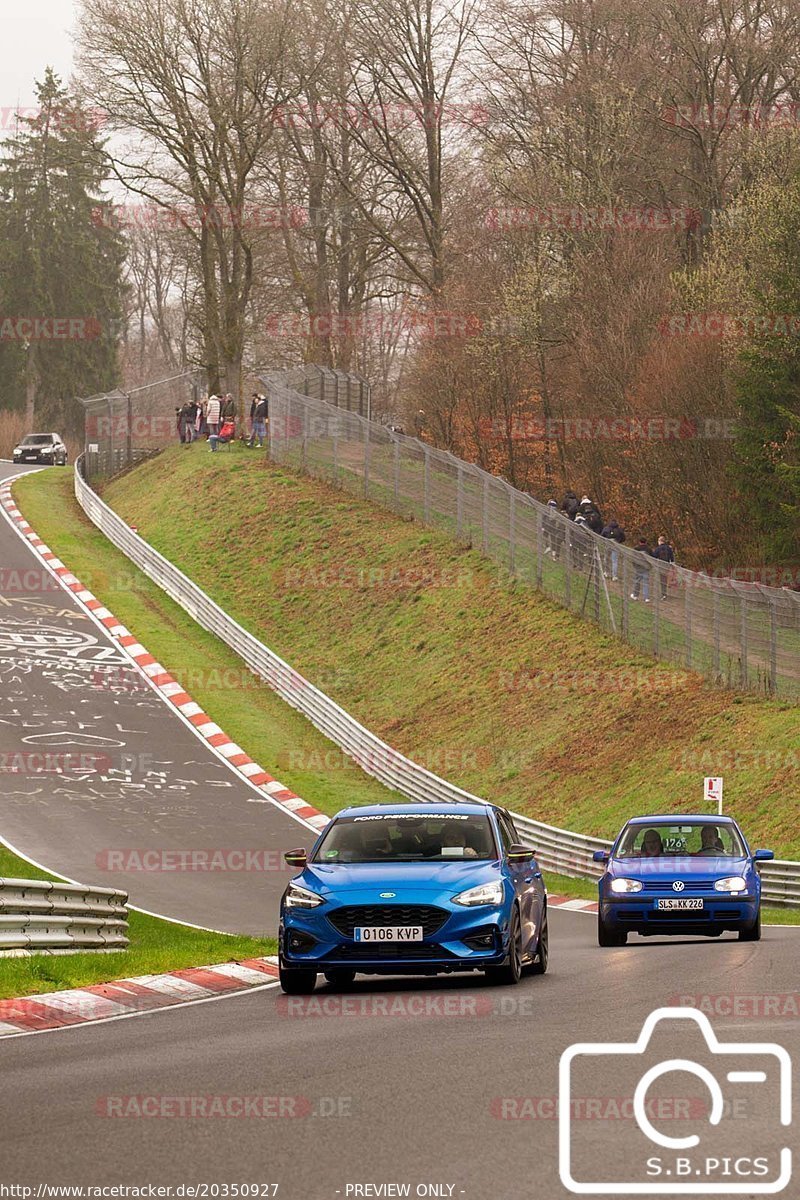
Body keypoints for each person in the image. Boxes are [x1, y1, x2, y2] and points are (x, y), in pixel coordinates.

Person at [650, 535, 676, 599]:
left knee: (662, 579)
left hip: (660, 565)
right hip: (667, 565)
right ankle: (665, 592)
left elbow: (654, 556)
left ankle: (663, 594)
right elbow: (672, 557)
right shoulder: (668, 548)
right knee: (665, 578)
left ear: (660, 541)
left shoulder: (658, 548)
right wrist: (672, 564)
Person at [631, 537, 652, 602]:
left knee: (637, 581)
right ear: (646, 542)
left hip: (638, 567)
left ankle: (635, 595)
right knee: (646, 583)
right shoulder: (648, 549)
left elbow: (633, 558)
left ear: (639, 542)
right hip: (646, 568)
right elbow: (652, 558)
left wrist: (634, 565)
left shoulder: (636, 548)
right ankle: (646, 598)